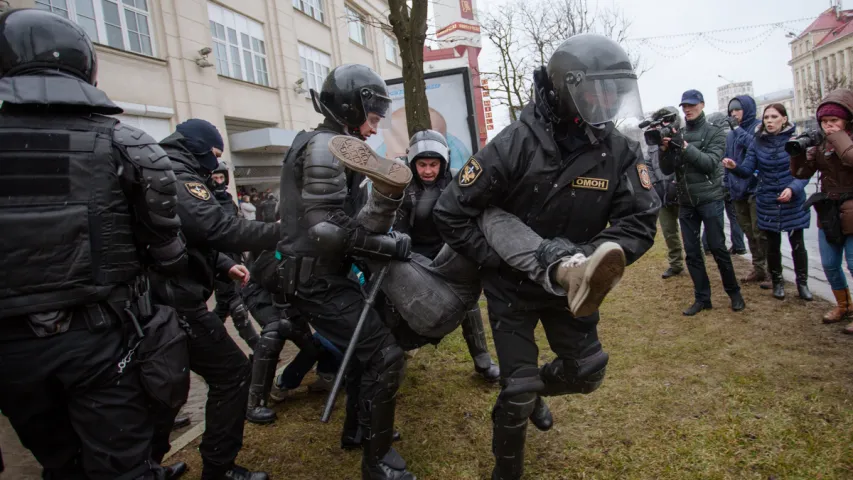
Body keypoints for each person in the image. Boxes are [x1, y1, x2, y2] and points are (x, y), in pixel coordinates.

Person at [433, 34, 659, 479]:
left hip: (574, 288)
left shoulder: (620, 151)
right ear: (564, 87)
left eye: (615, 90)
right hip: (511, 287)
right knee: (516, 389)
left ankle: (539, 389)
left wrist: (583, 260)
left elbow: (639, 223)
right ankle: (507, 466)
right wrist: (496, 259)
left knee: (588, 373)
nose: (608, 100)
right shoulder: (516, 142)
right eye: (597, 89)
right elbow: (451, 209)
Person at [0, 8, 187, 479]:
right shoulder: (126, 145)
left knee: (60, 463)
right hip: (100, 339)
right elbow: (168, 251)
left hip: (12, 351)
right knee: (123, 465)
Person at [276, 64, 417, 480]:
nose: (374, 129)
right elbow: (324, 229)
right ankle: (377, 464)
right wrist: (384, 244)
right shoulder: (326, 147)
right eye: (372, 118)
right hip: (316, 279)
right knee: (384, 355)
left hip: (319, 275)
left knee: (361, 357)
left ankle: (361, 431)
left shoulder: (325, 141)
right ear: (350, 106)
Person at [150, 118, 282, 480]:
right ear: (196, 147)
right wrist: (284, 234)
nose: (215, 166)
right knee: (232, 373)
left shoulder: (165, 165)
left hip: (165, 299)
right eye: (213, 156)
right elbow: (215, 227)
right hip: (174, 303)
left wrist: (224, 264)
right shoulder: (177, 173)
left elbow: (186, 234)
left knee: (161, 386)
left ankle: (144, 467)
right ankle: (218, 469)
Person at [394, 129, 499, 381]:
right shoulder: (402, 189)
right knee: (395, 300)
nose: (428, 170)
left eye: (433, 164)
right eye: (422, 164)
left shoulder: (457, 183)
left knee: (468, 301)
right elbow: (398, 232)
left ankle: (482, 360)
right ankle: (395, 350)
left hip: (450, 252)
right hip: (416, 259)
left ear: (444, 162)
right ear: (413, 163)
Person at [660, 89, 746, 316]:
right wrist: (665, 150)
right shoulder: (678, 133)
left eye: (691, 105)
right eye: (684, 106)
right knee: (692, 252)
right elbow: (667, 169)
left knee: (718, 248)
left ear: (702, 105)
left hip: (710, 198)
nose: (687, 109)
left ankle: (734, 293)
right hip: (686, 201)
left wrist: (686, 147)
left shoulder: (715, 132)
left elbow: (709, 164)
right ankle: (702, 298)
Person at [723, 104, 812, 301]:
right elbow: (747, 170)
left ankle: (802, 284)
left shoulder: (795, 141)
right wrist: (734, 166)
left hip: (793, 200)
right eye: (766, 118)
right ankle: (778, 282)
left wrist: (792, 189)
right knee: (772, 245)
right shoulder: (757, 142)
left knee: (797, 244)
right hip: (767, 200)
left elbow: (805, 173)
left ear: (784, 119)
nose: (769, 121)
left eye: (774, 117)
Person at [791, 89, 853, 333]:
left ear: (846, 119)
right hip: (829, 210)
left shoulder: (843, 140)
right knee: (829, 263)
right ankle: (844, 305)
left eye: (834, 121)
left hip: (852, 207)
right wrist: (798, 154)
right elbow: (800, 174)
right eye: (825, 122)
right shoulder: (821, 143)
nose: (829, 126)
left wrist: (838, 137)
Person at [208, 163, 260, 349]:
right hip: (220, 262)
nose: (219, 182)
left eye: (221, 178)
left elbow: (237, 228)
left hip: (236, 258)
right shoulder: (207, 202)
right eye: (215, 179)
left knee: (224, 306)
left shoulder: (229, 201)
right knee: (236, 306)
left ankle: (204, 338)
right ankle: (258, 346)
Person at [723, 95, 767, 283]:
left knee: (760, 231)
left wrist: (739, 130)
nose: (734, 114)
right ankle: (758, 268)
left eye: (737, 110)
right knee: (748, 230)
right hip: (737, 189)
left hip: (756, 187)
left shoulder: (758, 127)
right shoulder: (731, 134)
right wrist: (727, 184)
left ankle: (771, 270)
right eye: (731, 111)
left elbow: (757, 147)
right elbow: (726, 159)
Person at [647, 107, 685, 278]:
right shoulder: (654, 139)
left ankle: (694, 261)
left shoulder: (681, 136)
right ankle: (676, 264)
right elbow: (647, 163)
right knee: (669, 231)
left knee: (689, 231)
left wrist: (675, 182)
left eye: (666, 119)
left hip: (681, 191)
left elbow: (684, 162)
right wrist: (655, 183)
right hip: (661, 192)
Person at [703, 111, 747, 256]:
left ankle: (710, 245)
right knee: (734, 216)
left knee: (715, 216)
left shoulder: (714, 137)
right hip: (731, 181)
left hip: (718, 182)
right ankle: (739, 245)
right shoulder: (734, 136)